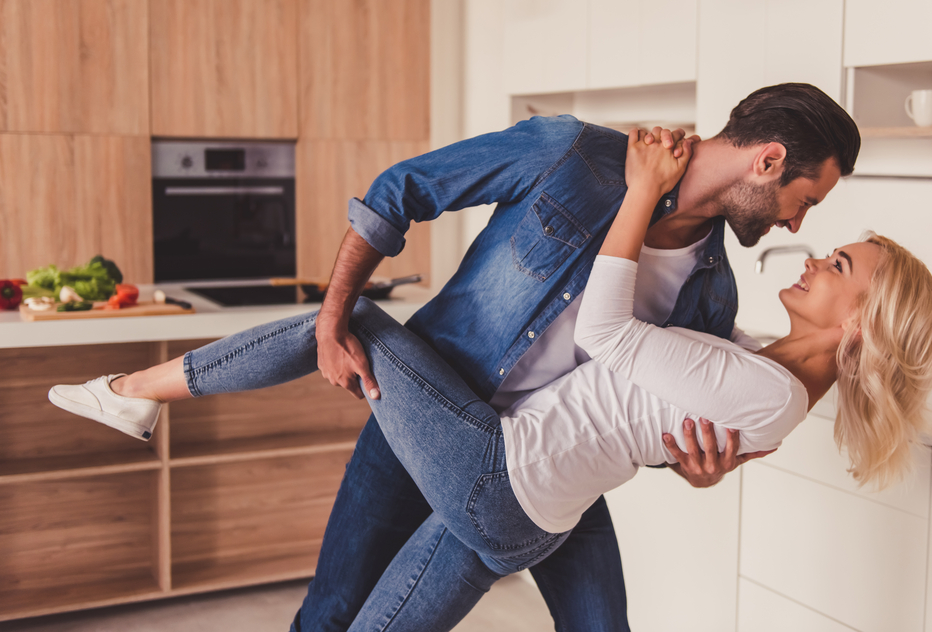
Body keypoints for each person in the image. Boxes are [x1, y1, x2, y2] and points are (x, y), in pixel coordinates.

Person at [49, 84, 862, 632]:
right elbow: (402, 190)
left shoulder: (714, 294)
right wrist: (334, 319)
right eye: (806, 197)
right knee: (333, 611)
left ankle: (132, 388)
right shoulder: (573, 155)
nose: (797, 224)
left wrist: (696, 467)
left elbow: (642, 415)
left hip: (542, 468)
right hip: (431, 424)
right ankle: (133, 388)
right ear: (769, 163)